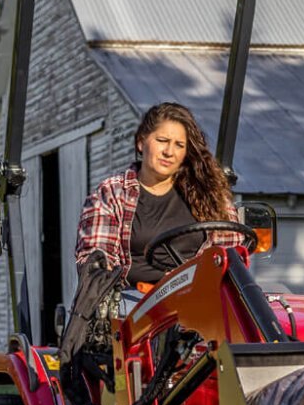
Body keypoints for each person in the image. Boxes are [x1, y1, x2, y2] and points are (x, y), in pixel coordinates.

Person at [73, 101, 247, 289]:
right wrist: (165, 286)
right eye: (162, 140)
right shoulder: (112, 193)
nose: (169, 152)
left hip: (196, 293)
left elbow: (230, 252)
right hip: (134, 298)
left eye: (179, 145)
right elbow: (96, 263)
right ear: (141, 142)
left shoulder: (209, 193)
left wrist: (185, 282)